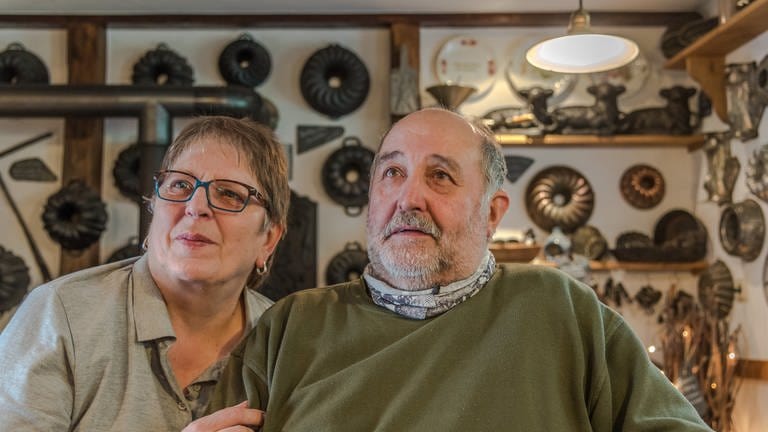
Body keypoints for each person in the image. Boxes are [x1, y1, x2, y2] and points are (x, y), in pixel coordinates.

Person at [195, 108, 712, 431]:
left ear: (492, 214)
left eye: (440, 176)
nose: (408, 197)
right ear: (371, 200)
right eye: (392, 173)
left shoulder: (561, 310)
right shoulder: (291, 327)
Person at [0, 116, 289, 431]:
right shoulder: (60, 316)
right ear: (153, 208)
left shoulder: (286, 343)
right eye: (181, 184)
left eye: (230, 194)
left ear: (269, 239)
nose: (196, 206)